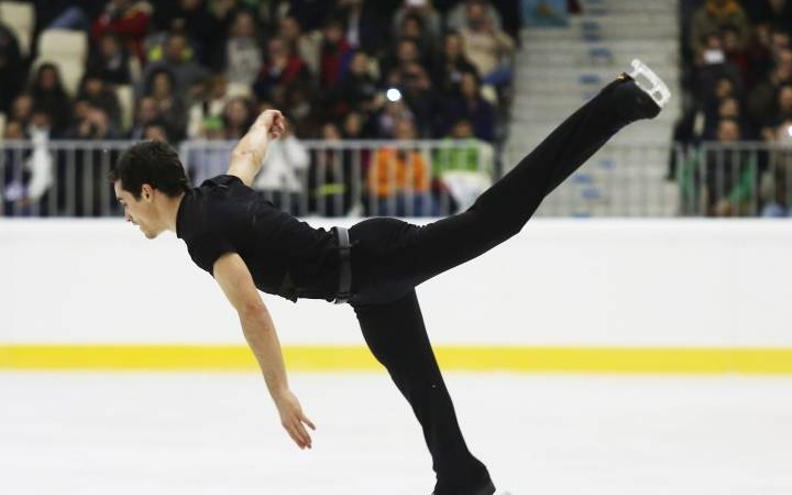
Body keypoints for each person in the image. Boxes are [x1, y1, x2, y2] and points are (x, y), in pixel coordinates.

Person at [109, 61, 669, 495]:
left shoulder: (203, 236)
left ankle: (616, 103)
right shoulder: (215, 195)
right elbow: (245, 156)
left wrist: (280, 393)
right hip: (367, 286)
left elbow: (252, 309)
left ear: (149, 192)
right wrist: (263, 124)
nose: (129, 217)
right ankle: (462, 477)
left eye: (126, 204)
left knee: (498, 217)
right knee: (421, 385)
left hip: (377, 260)